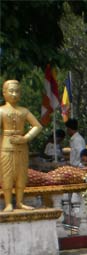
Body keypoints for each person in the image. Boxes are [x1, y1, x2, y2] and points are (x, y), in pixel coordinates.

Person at [0, 79, 42, 211]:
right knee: (7, 174)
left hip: (22, 147)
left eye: (17, 91)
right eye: (11, 91)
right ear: (4, 93)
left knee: (21, 175)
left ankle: (19, 201)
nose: (14, 94)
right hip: (6, 146)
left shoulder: (24, 111)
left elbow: (37, 126)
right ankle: (8, 203)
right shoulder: (1, 111)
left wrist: (25, 138)